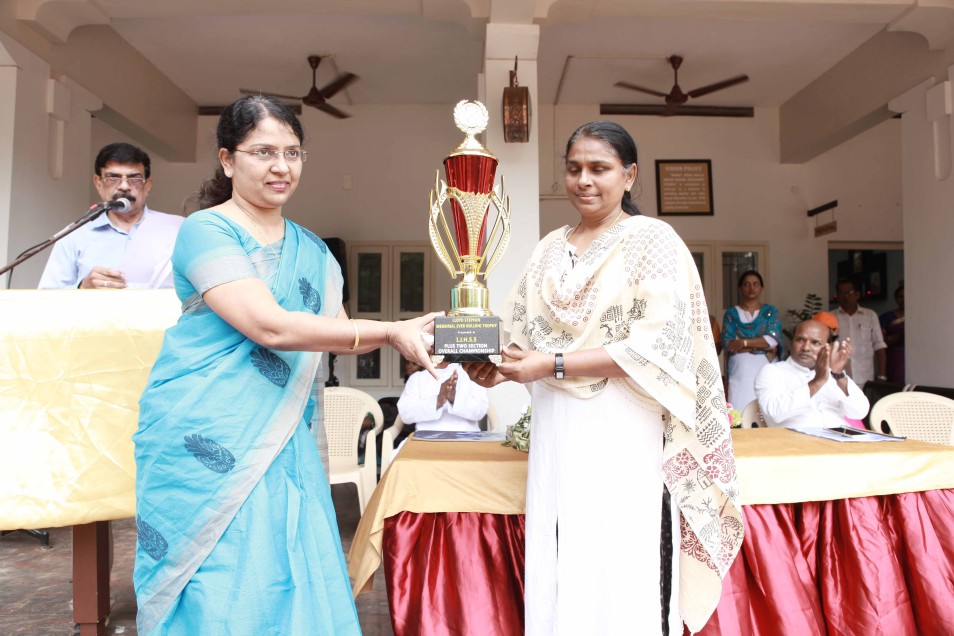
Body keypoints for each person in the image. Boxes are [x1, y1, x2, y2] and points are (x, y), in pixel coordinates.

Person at [131, 96, 439, 635]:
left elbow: (339, 334)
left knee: (286, 564)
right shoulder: (207, 230)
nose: (281, 166)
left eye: (292, 152)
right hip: (205, 430)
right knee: (220, 578)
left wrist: (431, 339)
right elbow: (268, 326)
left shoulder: (314, 252)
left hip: (283, 435)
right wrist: (391, 330)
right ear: (227, 160)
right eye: (264, 152)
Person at [466, 121, 742, 635]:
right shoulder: (550, 248)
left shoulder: (652, 240)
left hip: (623, 422)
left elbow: (656, 345)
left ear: (629, 175)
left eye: (599, 168)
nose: (584, 180)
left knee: (619, 551)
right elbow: (521, 337)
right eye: (574, 169)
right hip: (557, 420)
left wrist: (551, 363)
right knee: (560, 546)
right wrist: (494, 369)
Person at [38, 142, 183, 289]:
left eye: (134, 179)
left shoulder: (175, 229)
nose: (124, 187)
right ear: (98, 183)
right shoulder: (74, 235)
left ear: (147, 186)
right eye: (113, 178)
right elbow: (46, 296)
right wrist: (83, 288)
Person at [755, 320, 869, 428]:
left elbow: (859, 412)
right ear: (791, 343)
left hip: (840, 438)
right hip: (797, 440)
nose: (806, 347)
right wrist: (817, 381)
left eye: (815, 343)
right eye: (800, 340)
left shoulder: (834, 374)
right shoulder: (772, 371)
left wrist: (838, 374)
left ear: (827, 347)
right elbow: (774, 413)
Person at [721, 270, 783, 410]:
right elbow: (729, 343)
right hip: (740, 368)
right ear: (740, 288)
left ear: (761, 288)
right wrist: (760, 344)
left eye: (755, 284)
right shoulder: (731, 314)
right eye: (747, 284)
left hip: (766, 365)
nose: (751, 288)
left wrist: (743, 343)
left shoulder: (770, 312)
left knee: (767, 406)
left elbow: (772, 340)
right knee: (739, 407)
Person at [397, 359, 488, 433]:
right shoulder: (417, 378)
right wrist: (438, 401)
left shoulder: (473, 375)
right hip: (425, 440)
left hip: (467, 438)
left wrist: (454, 398)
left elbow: (480, 411)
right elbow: (405, 414)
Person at [834, 278, 887, 387]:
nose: (845, 297)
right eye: (841, 293)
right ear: (837, 296)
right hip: (837, 377)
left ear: (857, 294)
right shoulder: (831, 317)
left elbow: (879, 345)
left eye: (849, 293)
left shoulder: (870, 315)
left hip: (865, 376)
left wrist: (882, 375)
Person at [879, 284, 905, 383]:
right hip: (895, 359)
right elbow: (881, 341)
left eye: (906, 296)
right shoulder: (886, 317)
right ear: (896, 299)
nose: (904, 299)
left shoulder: (917, 316)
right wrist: (899, 336)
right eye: (900, 297)